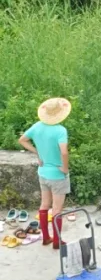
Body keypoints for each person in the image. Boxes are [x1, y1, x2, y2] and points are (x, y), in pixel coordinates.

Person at [19, 96, 70, 249]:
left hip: (43, 172)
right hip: (57, 174)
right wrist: (65, 168)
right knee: (57, 209)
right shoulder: (60, 130)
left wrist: (38, 153)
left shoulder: (37, 126)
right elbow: (64, 152)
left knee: (44, 205)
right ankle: (57, 241)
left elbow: (22, 140)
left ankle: (46, 238)